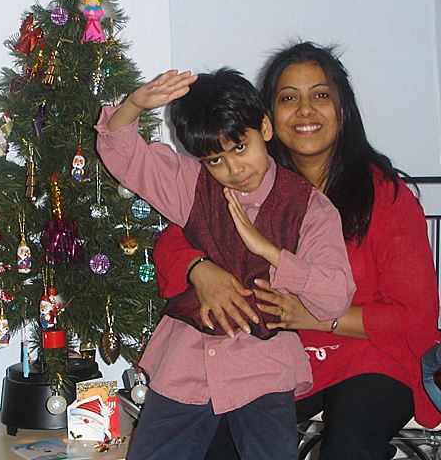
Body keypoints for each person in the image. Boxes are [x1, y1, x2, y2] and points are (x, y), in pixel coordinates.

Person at [154, 41, 441, 459]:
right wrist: (202, 270)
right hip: (274, 357)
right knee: (218, 446)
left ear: (342, 108)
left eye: (320, 95)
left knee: (349, 445)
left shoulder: (386, 196)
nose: (305, 110)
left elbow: (415, 317)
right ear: (267, 119)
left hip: (371, 358)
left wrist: (319, 318)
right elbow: (174, 239)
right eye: (289, 98)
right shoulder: (248, 178)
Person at [95, 68, 354, 459]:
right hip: (187, 361)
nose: (235, 170)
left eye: (240, 148)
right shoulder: (192, 184)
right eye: (216, 159)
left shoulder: (310, 208)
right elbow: (122, 153)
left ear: (264, 127)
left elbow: (334, 298)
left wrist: (269, 251)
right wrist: (134, 104)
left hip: (263, 365)